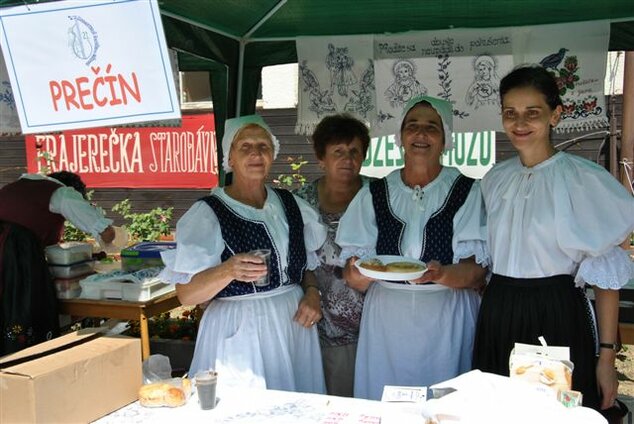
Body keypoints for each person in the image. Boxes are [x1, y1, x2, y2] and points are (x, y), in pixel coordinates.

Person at [472, 65, 634, 411]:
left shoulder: (582, 180)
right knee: (498, 414)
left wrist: (606, 358)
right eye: (510, 113)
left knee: (554, 414)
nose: (520, 123)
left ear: (555, 115)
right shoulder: (494, 180)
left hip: (556, 313)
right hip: (499, 312)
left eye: (533, 112)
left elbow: (605, 280)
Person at [159, 115, 327, 393]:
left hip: (292, 322)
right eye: (245, 146)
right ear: (231, 158)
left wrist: (311, 293)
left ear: (273, 154)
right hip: (240, 328)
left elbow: (304, 265)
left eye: (263, 146)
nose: (255, 153)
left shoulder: (290, 204)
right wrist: (228, 270)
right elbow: (187, 294)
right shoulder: (209, 212)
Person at [338, 95, 489, 400]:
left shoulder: (467, 191)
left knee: (446, 405)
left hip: (446, 316)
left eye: (431, 127)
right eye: (413, 126)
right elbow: (352, 276)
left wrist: (441, 274)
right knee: (387, 401)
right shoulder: (375, 193)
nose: (421, 134)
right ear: (401, 136)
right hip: (387, 320)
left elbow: (475, 272)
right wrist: (364, 272)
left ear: (446, 138)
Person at [294, 114, 372, 397]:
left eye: (354, 151)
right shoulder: (301, 201)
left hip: (377, 324)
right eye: (338, 152)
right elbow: (296, 259)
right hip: (321, 326)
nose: (348, 159)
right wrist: (311, 289)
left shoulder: (379, 195)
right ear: (321, 158)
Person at [0, 171, 115, 355]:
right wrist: (114, 238)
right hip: (19, 268)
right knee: (24, 317)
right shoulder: (61, 194)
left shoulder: (11, 189)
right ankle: (27, 358)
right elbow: (106, 232)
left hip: (6, 265)